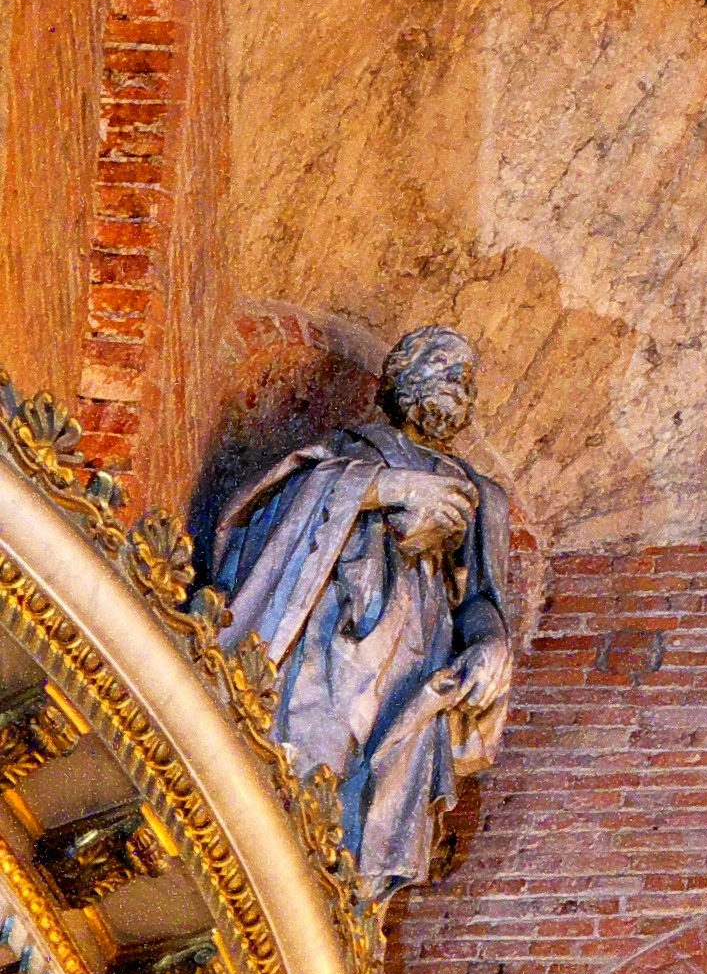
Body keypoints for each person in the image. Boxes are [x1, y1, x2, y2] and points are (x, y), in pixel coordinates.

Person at [203, 325, 521, 894]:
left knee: (376, 791)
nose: (459, 381)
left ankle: (342, 895)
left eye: (468, 376)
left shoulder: (482, 494)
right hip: (327, 633)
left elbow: (481, 598)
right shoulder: (346, 450)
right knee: (303, 759)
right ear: (401, 375)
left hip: (414, 656)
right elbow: (258, 519)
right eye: (445, 363)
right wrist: (387, 487)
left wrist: (491, 643)